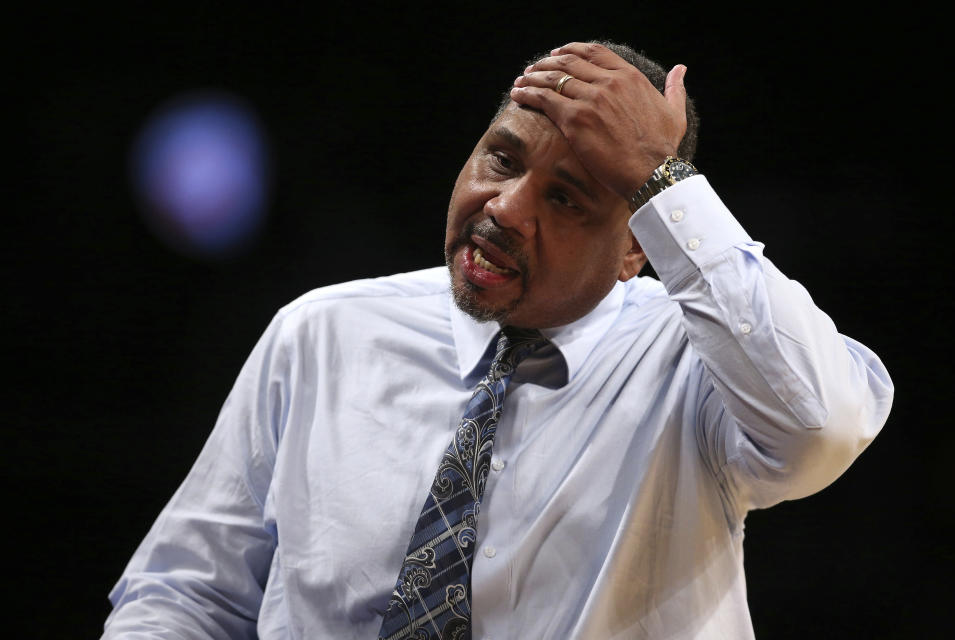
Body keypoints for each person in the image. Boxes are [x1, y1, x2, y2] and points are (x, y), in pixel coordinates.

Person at [102, 41, 893, 639]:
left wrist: (662, 177)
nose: (507, 208)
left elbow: (820, 427)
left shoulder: (697, 362)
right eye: (500, 158)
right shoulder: (322, 334)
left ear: (634, 248)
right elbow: (186, 595)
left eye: (568, 199)